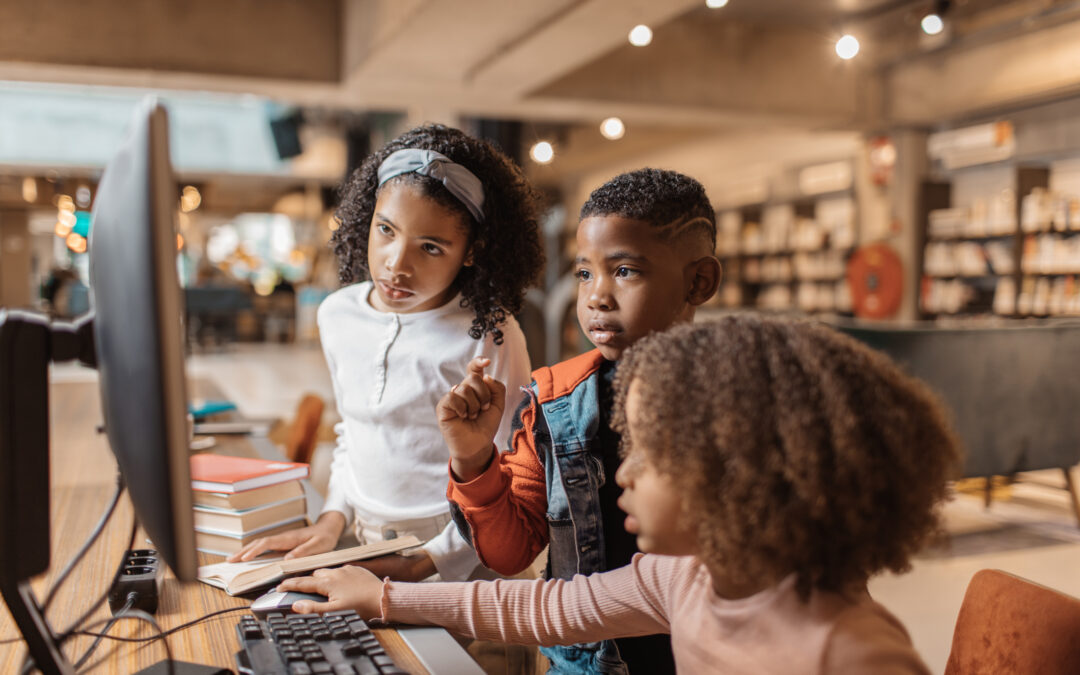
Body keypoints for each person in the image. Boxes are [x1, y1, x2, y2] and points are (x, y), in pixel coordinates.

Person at [278, 316, 961, 674]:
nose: (623, 474)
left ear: (739, 469)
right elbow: (549, 605)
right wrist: (383, 597)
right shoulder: (687, 577)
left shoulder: (851, 654)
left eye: (649, 453)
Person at [230, 124, 544, 587]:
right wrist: (331, 520)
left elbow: (515, 468)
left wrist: (427, 562)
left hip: (463, 557)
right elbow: (351, 434)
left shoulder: (490, 332)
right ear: (366, 220)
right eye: (386, 230)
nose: (397, 264)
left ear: (472, 252)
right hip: (364, 540)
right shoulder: (337, 314)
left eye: (431, 247)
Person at [441, 168, 722, 673]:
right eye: (585, 273)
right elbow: (510, 554)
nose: (597, 297)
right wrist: (473, 456)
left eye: (626, 271)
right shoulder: (556, 402)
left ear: (698, 281)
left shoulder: (741, 406)